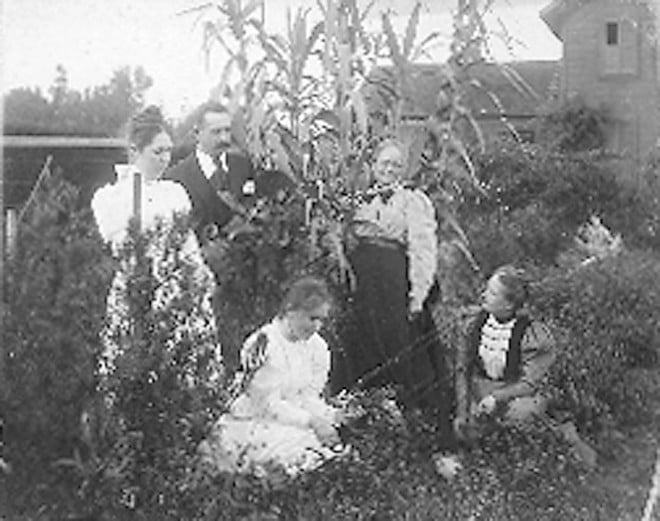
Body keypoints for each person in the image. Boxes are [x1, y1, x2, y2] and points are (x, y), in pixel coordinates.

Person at [91, 106, 218, 374]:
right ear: (135, 151)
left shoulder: (175, 192)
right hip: (137, 288)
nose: (164, 159)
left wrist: (200, 276)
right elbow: (122, 245)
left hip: (178, 289)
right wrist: (133, 180)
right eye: (157, 152)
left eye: (168, 151)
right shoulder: (109, 197)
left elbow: (188, 245)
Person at [335, 138, 450, 414]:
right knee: (360, 346)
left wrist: (417, 296)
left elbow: (423, 250)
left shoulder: (412, 200)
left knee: (398, 345)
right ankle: (364, 413)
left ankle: (408, 416)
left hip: (394, 284)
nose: (390, 169)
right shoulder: (356, 200)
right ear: (373, 166)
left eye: (397, 165)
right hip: (363, 287)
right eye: (385, 163)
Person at [198, 276, 346, 477]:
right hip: (256, 419)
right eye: (312, 318)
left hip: (294, 418)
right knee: (300, 450)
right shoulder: (264, 342)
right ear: (291, 311)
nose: (317, 326)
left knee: (331, 445)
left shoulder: (318, 347)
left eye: (322, 319)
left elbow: (308, 397)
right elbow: (267, 404)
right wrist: (311, 422)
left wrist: (327, 415)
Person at [453, 265, 556, 437]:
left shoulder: (532, 334)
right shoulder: (472, 325)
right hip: (479, 390)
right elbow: (462, 370)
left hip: (514, 394)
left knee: (522, 413)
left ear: (508, 304)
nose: (483, 295)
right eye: (486, 289)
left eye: (492, 293)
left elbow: (529, 383)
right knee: (465, 427)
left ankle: (511, 438)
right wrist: (462, 410)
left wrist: (497, 397)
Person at [163, 101, 256, 248]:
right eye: (216, 132)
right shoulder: (175, 178)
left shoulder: (244, 166)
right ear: (197, 133)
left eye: (227, 130)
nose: (224, 139)